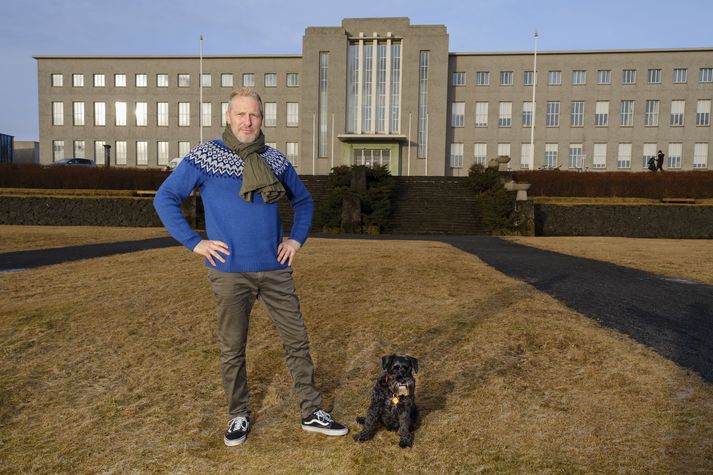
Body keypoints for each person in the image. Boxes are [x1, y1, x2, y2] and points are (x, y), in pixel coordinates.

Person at [153, 87, 347, 446]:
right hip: (229, 271)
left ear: (262, 119)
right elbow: (165, 197)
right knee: (232, 348)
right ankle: (238, 415)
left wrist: (295, 240)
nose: (247, 121)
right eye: (240, 114)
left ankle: (311, 412)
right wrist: (196, 242)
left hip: (275, 268)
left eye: (254, 115)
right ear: (228, 117)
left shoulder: (274, 160)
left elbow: (303, 201)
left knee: (297, 340)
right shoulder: (205, 157)